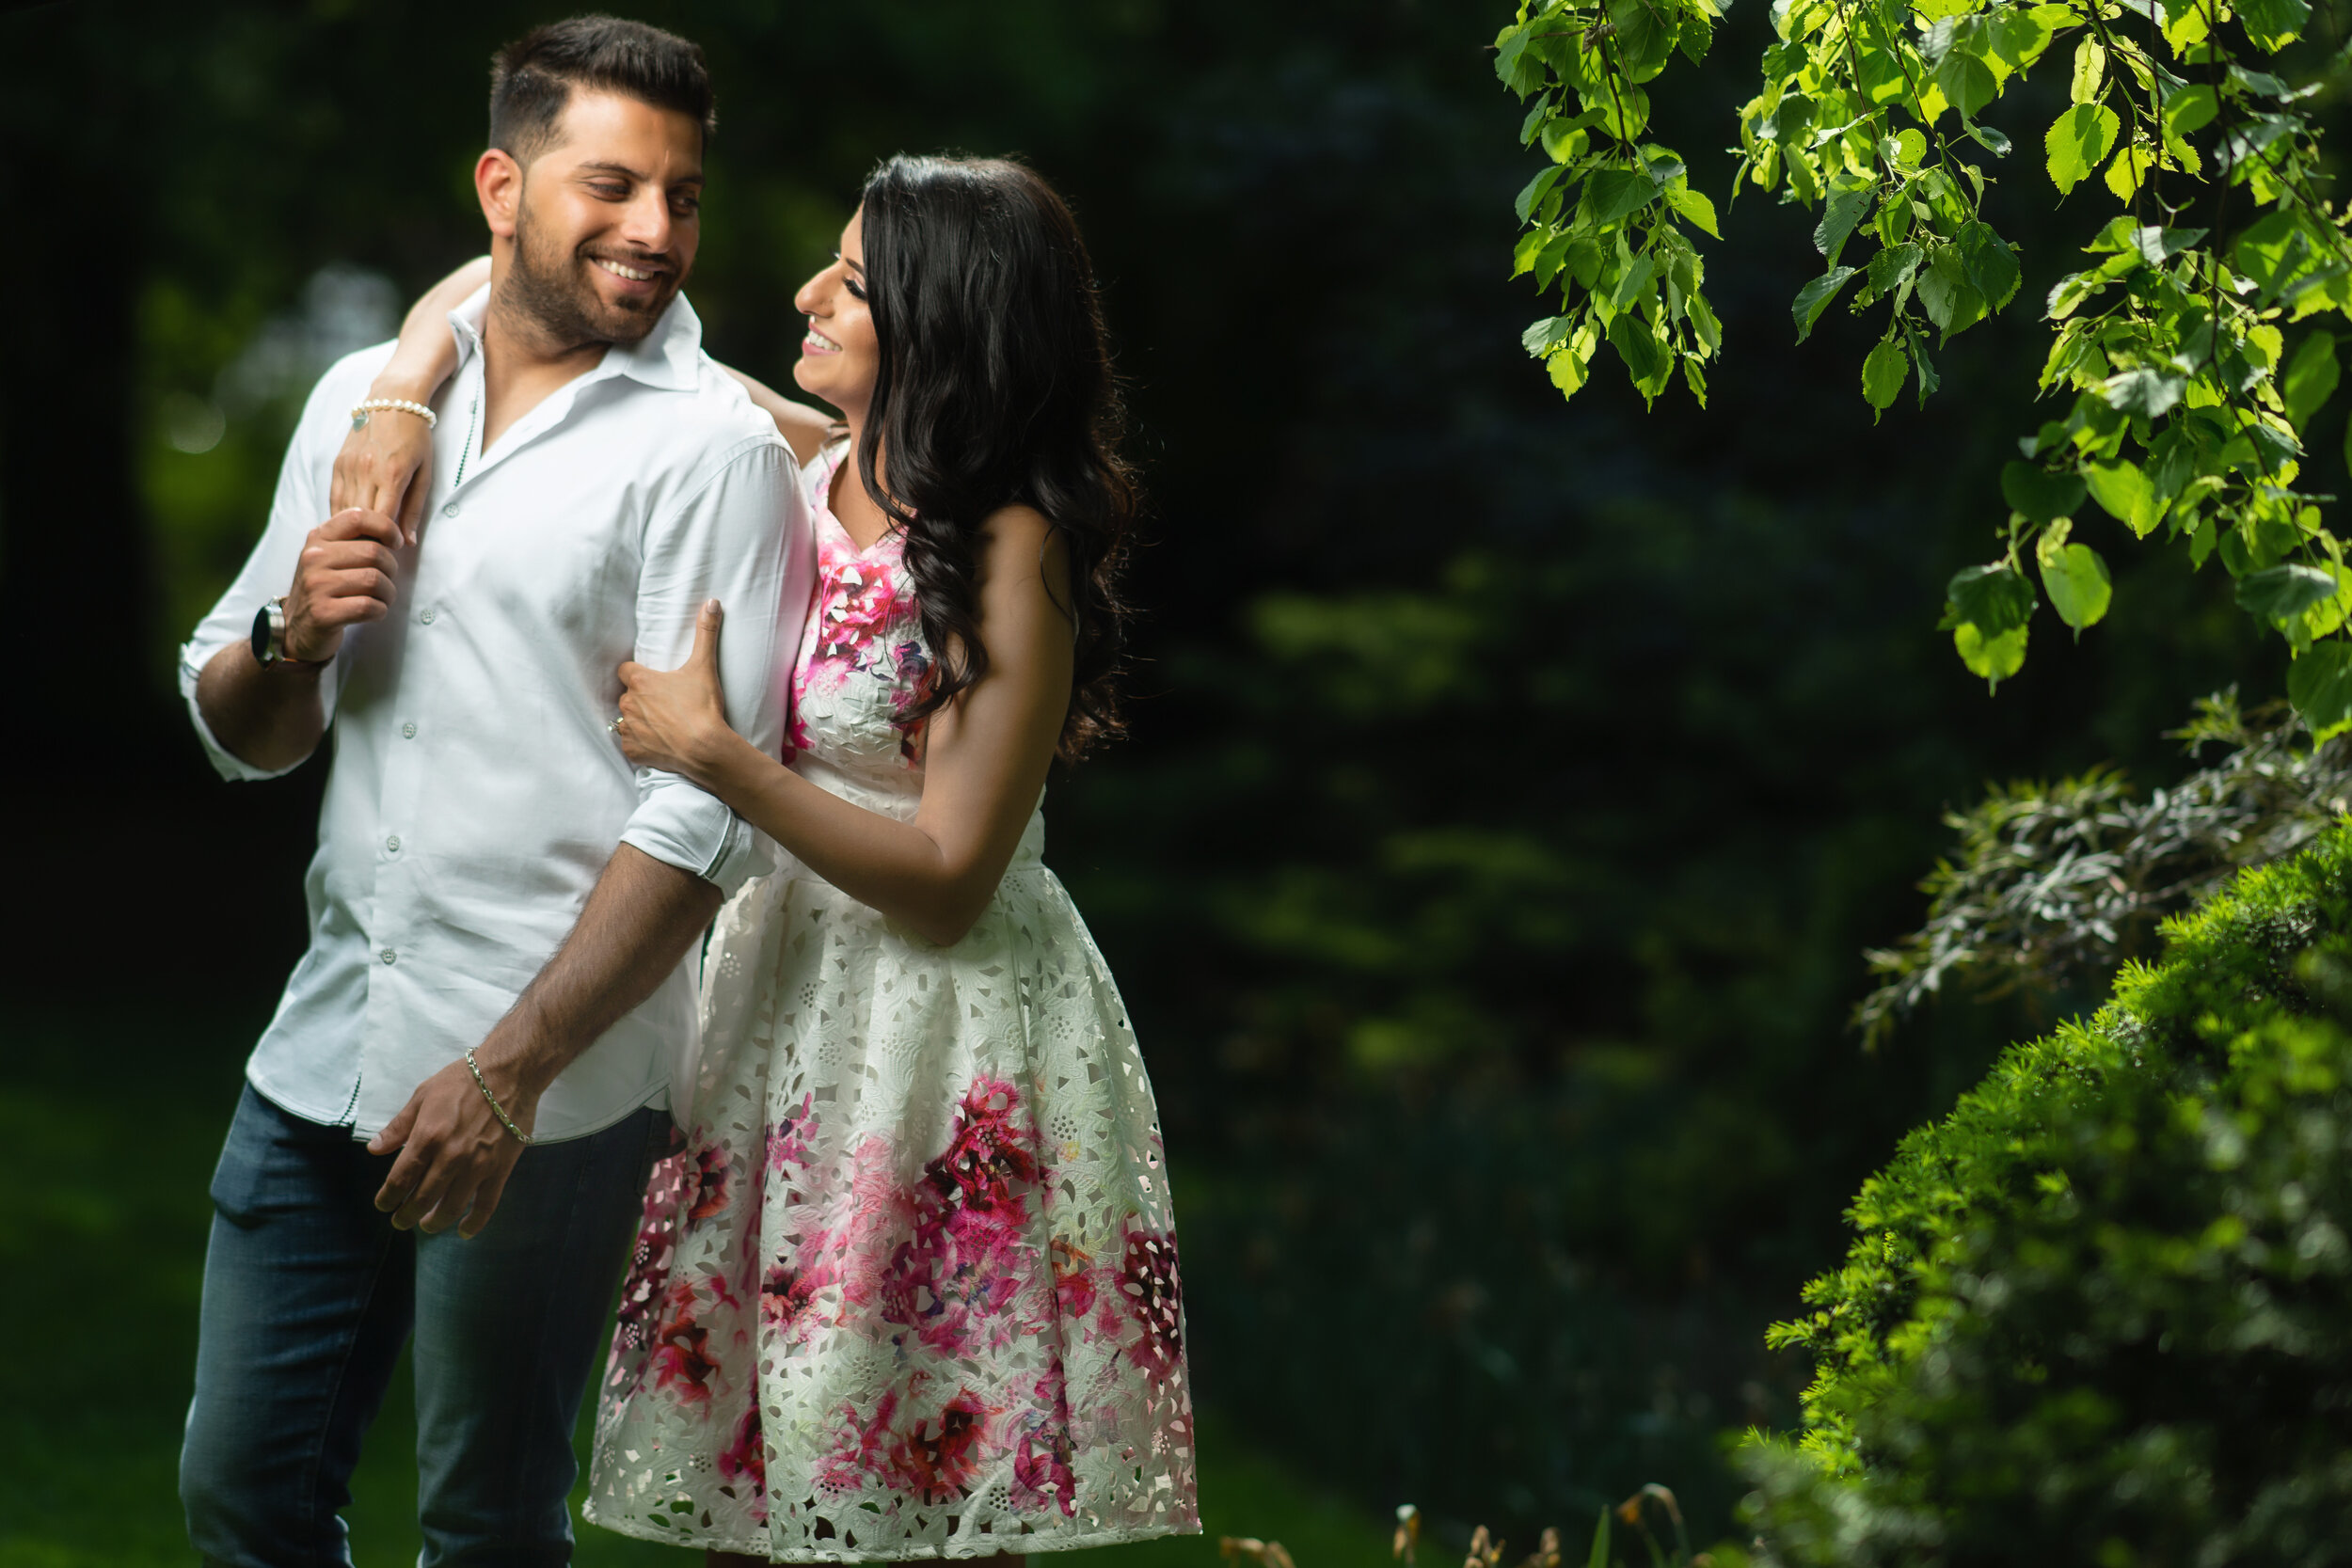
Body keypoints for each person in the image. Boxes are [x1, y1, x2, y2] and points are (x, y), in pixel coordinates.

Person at [358, 152, 1201, 1562]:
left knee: (904, 1485)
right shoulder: (810, 462)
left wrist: (722, 760)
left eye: (855, 283)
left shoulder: (1010, 544)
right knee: (766, 1475)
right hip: (779, 1021)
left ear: (945, 325)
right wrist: (398, 387)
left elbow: (949, 875)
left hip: (941, 1043)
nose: (806, 293)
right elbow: (503, 287)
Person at [176, 18, 828, 1565]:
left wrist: (506, 1075)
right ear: (501, 185)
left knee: (486, 1525)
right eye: (612, 184)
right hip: (325, 1039)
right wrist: (293, 635)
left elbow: (704, 814)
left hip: (554, 1084)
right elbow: (240, 719)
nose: (656, 230)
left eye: (682, 194)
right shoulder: (364, 401)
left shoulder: (716, 454)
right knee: (240, 1492)